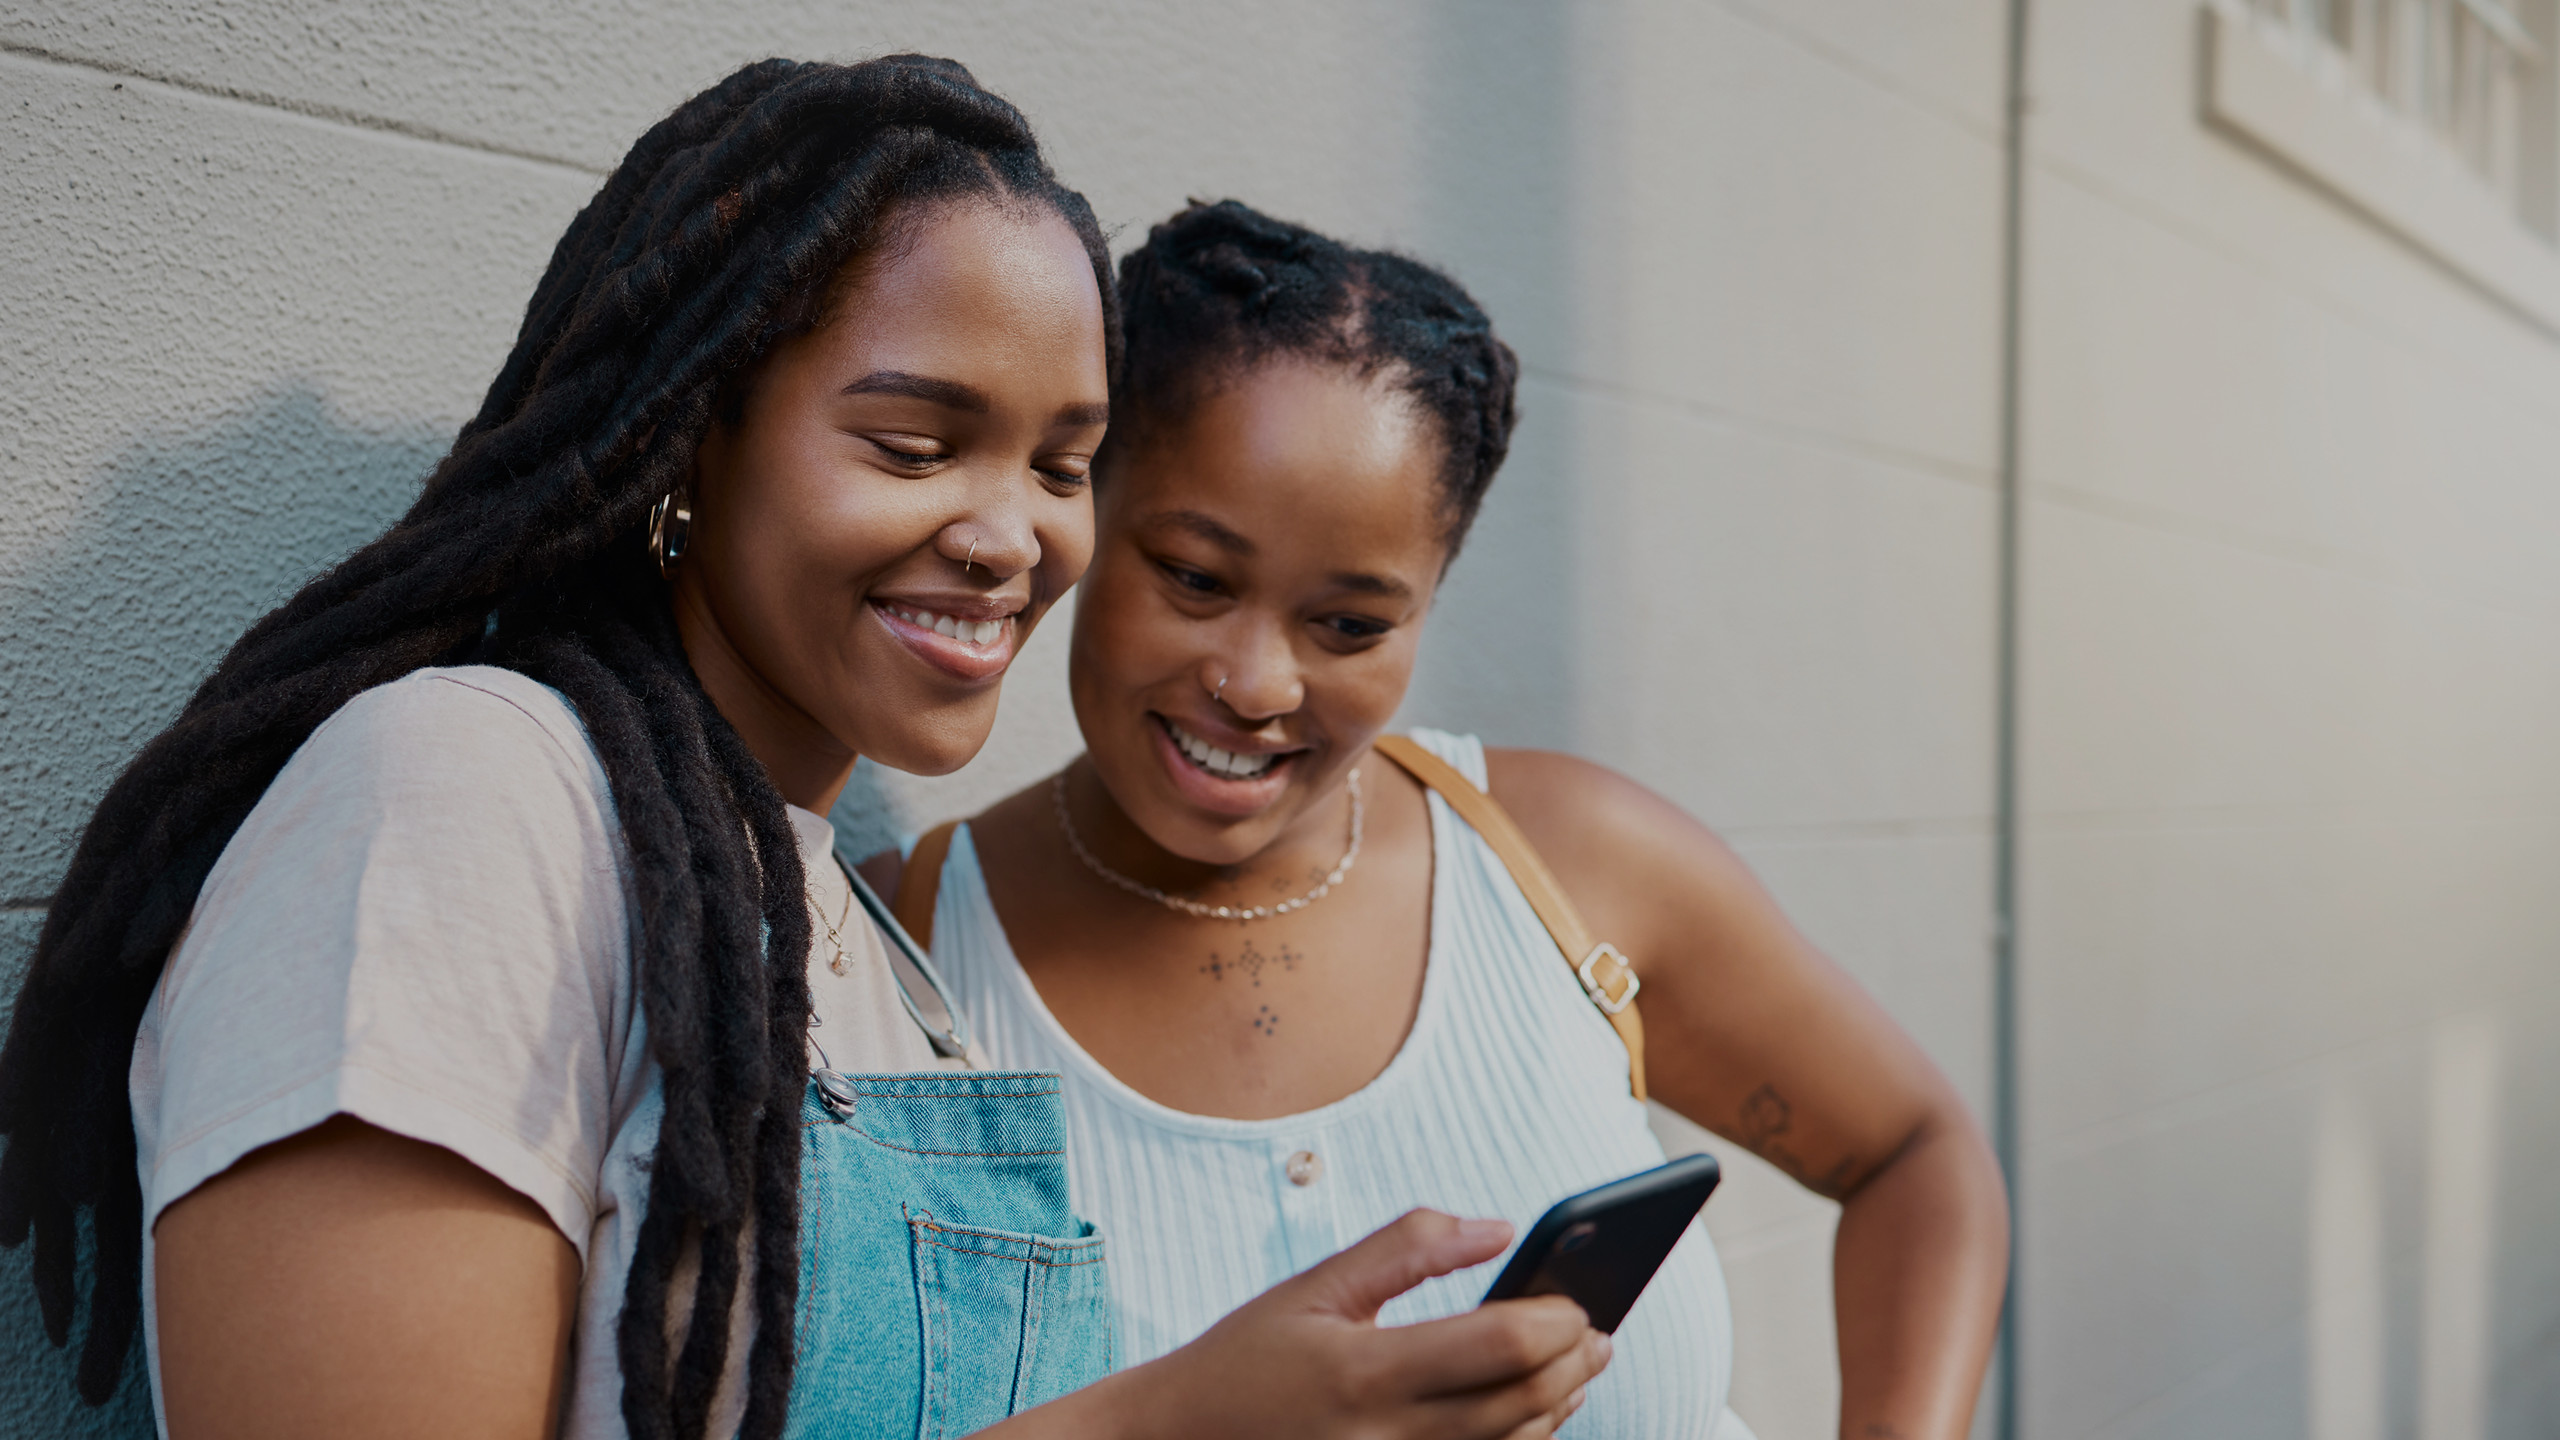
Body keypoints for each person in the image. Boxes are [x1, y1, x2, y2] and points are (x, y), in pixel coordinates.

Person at [0, 65, 1611, 1440]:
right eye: (914, 445)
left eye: (1065, 463)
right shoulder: (463, 807)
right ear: (692, 435)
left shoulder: (861, 941)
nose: (1009, 537)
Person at [870, 201, 2012, 1440]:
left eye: (1351, 624)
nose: (1257, 684)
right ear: (1087, 512)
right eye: (1196, 578)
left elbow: (1917, 1155)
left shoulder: (1571, 867)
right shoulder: (898, 970)